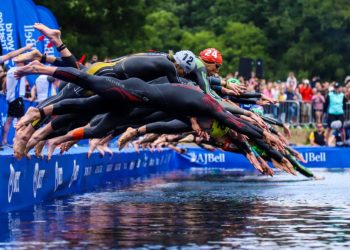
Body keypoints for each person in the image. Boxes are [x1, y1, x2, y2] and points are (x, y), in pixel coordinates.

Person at [1, 62, 27, 147]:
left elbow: (5, 82)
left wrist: (5, 89)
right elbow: (26, 83)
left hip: (11, 99)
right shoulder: (20, 70)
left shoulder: (10, 70)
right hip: (17, 98)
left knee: (8, 121)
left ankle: (4, 140)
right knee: (21, 121)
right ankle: (16, 141)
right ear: (21, 63)